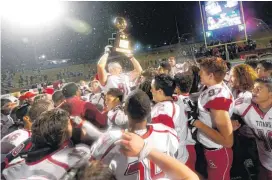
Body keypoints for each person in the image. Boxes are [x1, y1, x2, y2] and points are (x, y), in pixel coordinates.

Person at [90, 90, 179, 180]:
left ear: (124, 111)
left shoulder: (112, 139)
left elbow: (92, 169)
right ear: (149, 110)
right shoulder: (168, 132)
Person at [2, 109, 92, 180]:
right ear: (61, 133)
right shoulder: (73, 158)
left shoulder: (29, 143)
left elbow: (5, 162)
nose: (72, 124)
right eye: (69, 123)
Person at [189, 57, 234, 180]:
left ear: (211, 75)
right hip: (210, 147)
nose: (199, 73)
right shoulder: (213, 86)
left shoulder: (218, 98)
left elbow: (228, 141)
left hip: (217, 151)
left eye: (202, 71)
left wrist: (197, 123)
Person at [232, 78, 272, 180]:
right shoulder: (245, 105)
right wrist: (231, 122)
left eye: (259, 89)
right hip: (264, 163)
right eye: (253, 88)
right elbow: (222, 109)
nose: (253, 91)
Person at [174, 72, 197, 171]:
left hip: (183, 146)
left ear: (177, 87)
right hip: (194, 144)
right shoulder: (195, 99)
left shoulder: (176, 102)